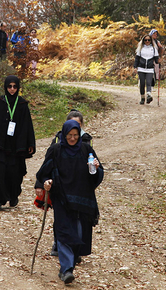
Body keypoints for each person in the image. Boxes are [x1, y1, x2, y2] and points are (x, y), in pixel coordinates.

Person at [35, 119, 103, 285]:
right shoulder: (56, 150)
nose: (72, 138)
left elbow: (97, 174)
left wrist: (96, 168)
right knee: (65, 232)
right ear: (64, 135)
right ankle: (67, 269)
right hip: (62, 198)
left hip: (82, 200)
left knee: (78, 234)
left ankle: (68, 266)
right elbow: (44, 171)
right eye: (69, 135)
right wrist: (45, 182)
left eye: (75, 135)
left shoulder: (86, 149)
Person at [0, 75, 36, 210]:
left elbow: (28, 125)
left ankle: (13, 195)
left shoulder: (22, 104)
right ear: (5, 87)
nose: (12, 89)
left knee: (15, 172)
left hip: (16, 145)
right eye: (10, 86)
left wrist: (30, 143)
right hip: (0, 144)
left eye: (15, 86)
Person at [135, 34, 159, 105]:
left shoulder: (154, 49)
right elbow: (137, 59)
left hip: (150, 68)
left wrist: (159, 61)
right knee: (142, 83)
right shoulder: (140, 48)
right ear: (143, 41)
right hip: (141, 68)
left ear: (151, 41)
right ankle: (142, 97)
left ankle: (149, 95)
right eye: (146, 40)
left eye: (149, 40)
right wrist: (135, 67)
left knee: (149, 82)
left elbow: (156, 60)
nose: (147, 41)